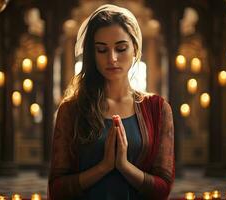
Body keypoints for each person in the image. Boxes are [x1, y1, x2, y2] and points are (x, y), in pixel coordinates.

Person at [48, 4, 175, 200]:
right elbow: (57, 189)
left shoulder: (158, 109)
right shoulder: (71, 109)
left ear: (135, 49)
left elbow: (163, 188)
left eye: (121, 48)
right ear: (92, 54)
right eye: (101, 50)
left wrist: (124, 166)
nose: (112, 58)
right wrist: (104, 167)